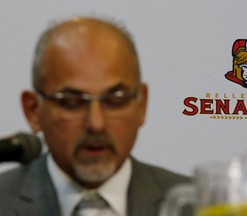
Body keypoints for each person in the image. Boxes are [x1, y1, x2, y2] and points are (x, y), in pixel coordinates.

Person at [0, 16, 189, 216]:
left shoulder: (199, 206)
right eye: (72, 103)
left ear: (141, 105)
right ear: (33, 111)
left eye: (116, 100)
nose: (96, 124)